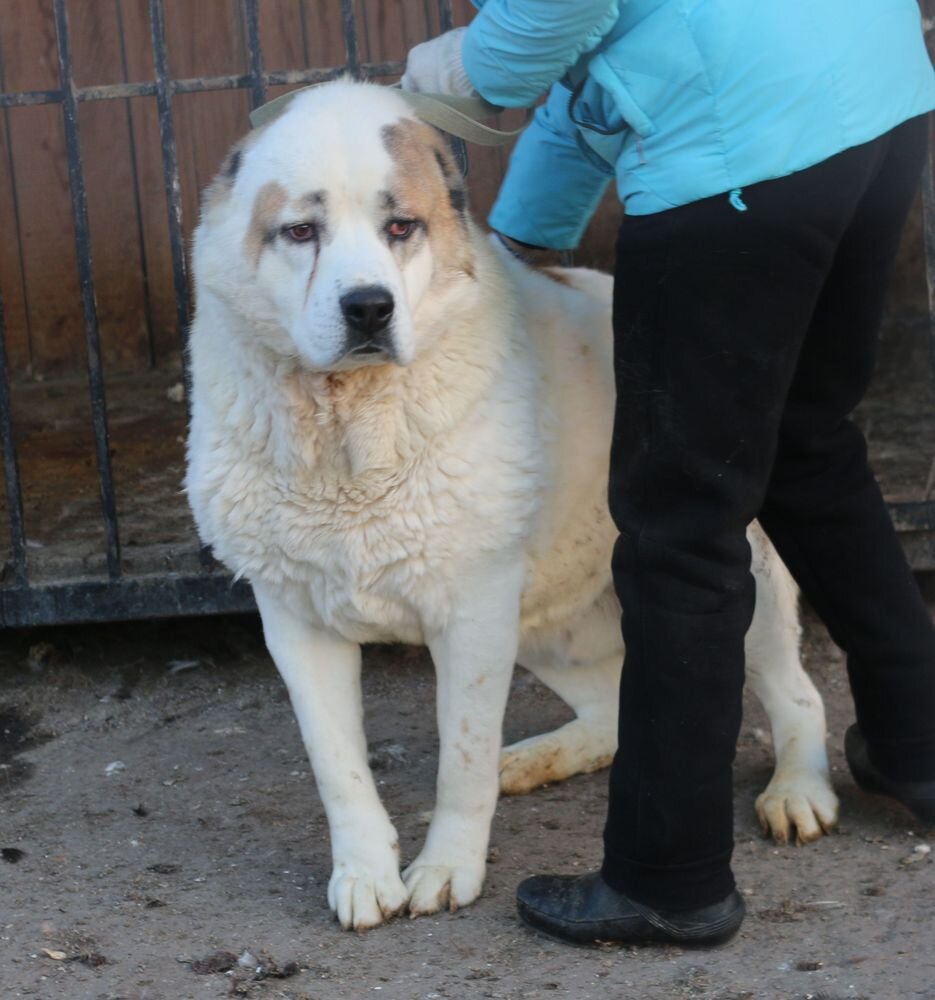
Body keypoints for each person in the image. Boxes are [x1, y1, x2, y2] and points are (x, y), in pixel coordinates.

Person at [402, 0, 935, 947]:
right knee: (806, 441)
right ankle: (918, 744)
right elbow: (603, 58)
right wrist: (517, 244)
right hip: (869, 95)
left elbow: (553, 19)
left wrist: (455, 74)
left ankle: (667, 877)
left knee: (679, 521)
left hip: (739, 148)